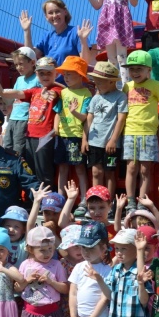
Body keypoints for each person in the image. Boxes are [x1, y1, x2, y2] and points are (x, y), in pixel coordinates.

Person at [0, 57, 62, 190]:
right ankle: (33, 198)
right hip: (30, 136)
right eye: (41, 73)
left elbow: (54, 94)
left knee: (44, 170)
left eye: (49, 73)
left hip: (45, 137)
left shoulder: (57, 90)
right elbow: (17, 93)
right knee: (30, 168)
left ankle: (46, 202)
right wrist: (0, 90)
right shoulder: (34, 91)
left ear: (56, 74)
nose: (45, 76)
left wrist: (48, 93)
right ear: (37, 74)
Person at [121, 50, 159, 213]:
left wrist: (158, 119)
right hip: (130, 131)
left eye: (139, 69)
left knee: (145, 169)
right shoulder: (127, 86)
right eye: (131, 69)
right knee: (131, 168)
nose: (134, 72)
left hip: (148, 132)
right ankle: (130, 202)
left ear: (148, 70)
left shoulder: (156, 85)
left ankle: (142, 201)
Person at [79, 0, 139, 85]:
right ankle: (113, 84)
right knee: (110, 56)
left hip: (121, 19)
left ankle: (125, 84)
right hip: (107, 20)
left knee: (121, 55)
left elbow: (134, 2)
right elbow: (97, 5)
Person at [83, 61, 128, 207]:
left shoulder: (120, 97)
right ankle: (96, 201)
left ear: (111, 81)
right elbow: (89, 118)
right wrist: (85, 139)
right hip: (94, 141)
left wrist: (114, 140)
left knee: (109, 173)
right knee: (96, 172)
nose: (96, 84)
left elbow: (121, 119)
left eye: (99, 81)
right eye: (95, 81)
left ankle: (107, 203)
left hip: (111, 143)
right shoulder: (95, 98)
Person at [53, 56, 92, 215]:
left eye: (70, 74)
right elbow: (57, 112)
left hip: (76, 135)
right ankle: (60, 198)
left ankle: (83, 199)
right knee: (62, 168)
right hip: (62, 136)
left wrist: (75, 111)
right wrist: (56, 128)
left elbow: (85, 117)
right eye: (65, 74)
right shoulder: (62, 92)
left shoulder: (86, 93)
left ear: (80, 75)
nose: (66, 77)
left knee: (80, 168)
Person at [20, 0, 95, 67]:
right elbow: (29, 55)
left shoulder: (76, 32)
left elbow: (85, 62)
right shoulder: (47, 36)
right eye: (50, 13)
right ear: (46, 17)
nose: (54, 15)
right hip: (50, 80)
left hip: (69, 80)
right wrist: (27, 30)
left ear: (65, 12)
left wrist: (83, 41)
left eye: (57, 11)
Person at [4, 48, 40, 158]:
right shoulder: (19, 79)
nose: (18, 67)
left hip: (24, 119)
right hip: (13, 118)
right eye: (16, 64)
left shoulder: (38, 79)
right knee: (7, 146)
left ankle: (19, 172)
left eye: (21, 64)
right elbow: (14, 98)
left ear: (32, 62)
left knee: (18, 149)